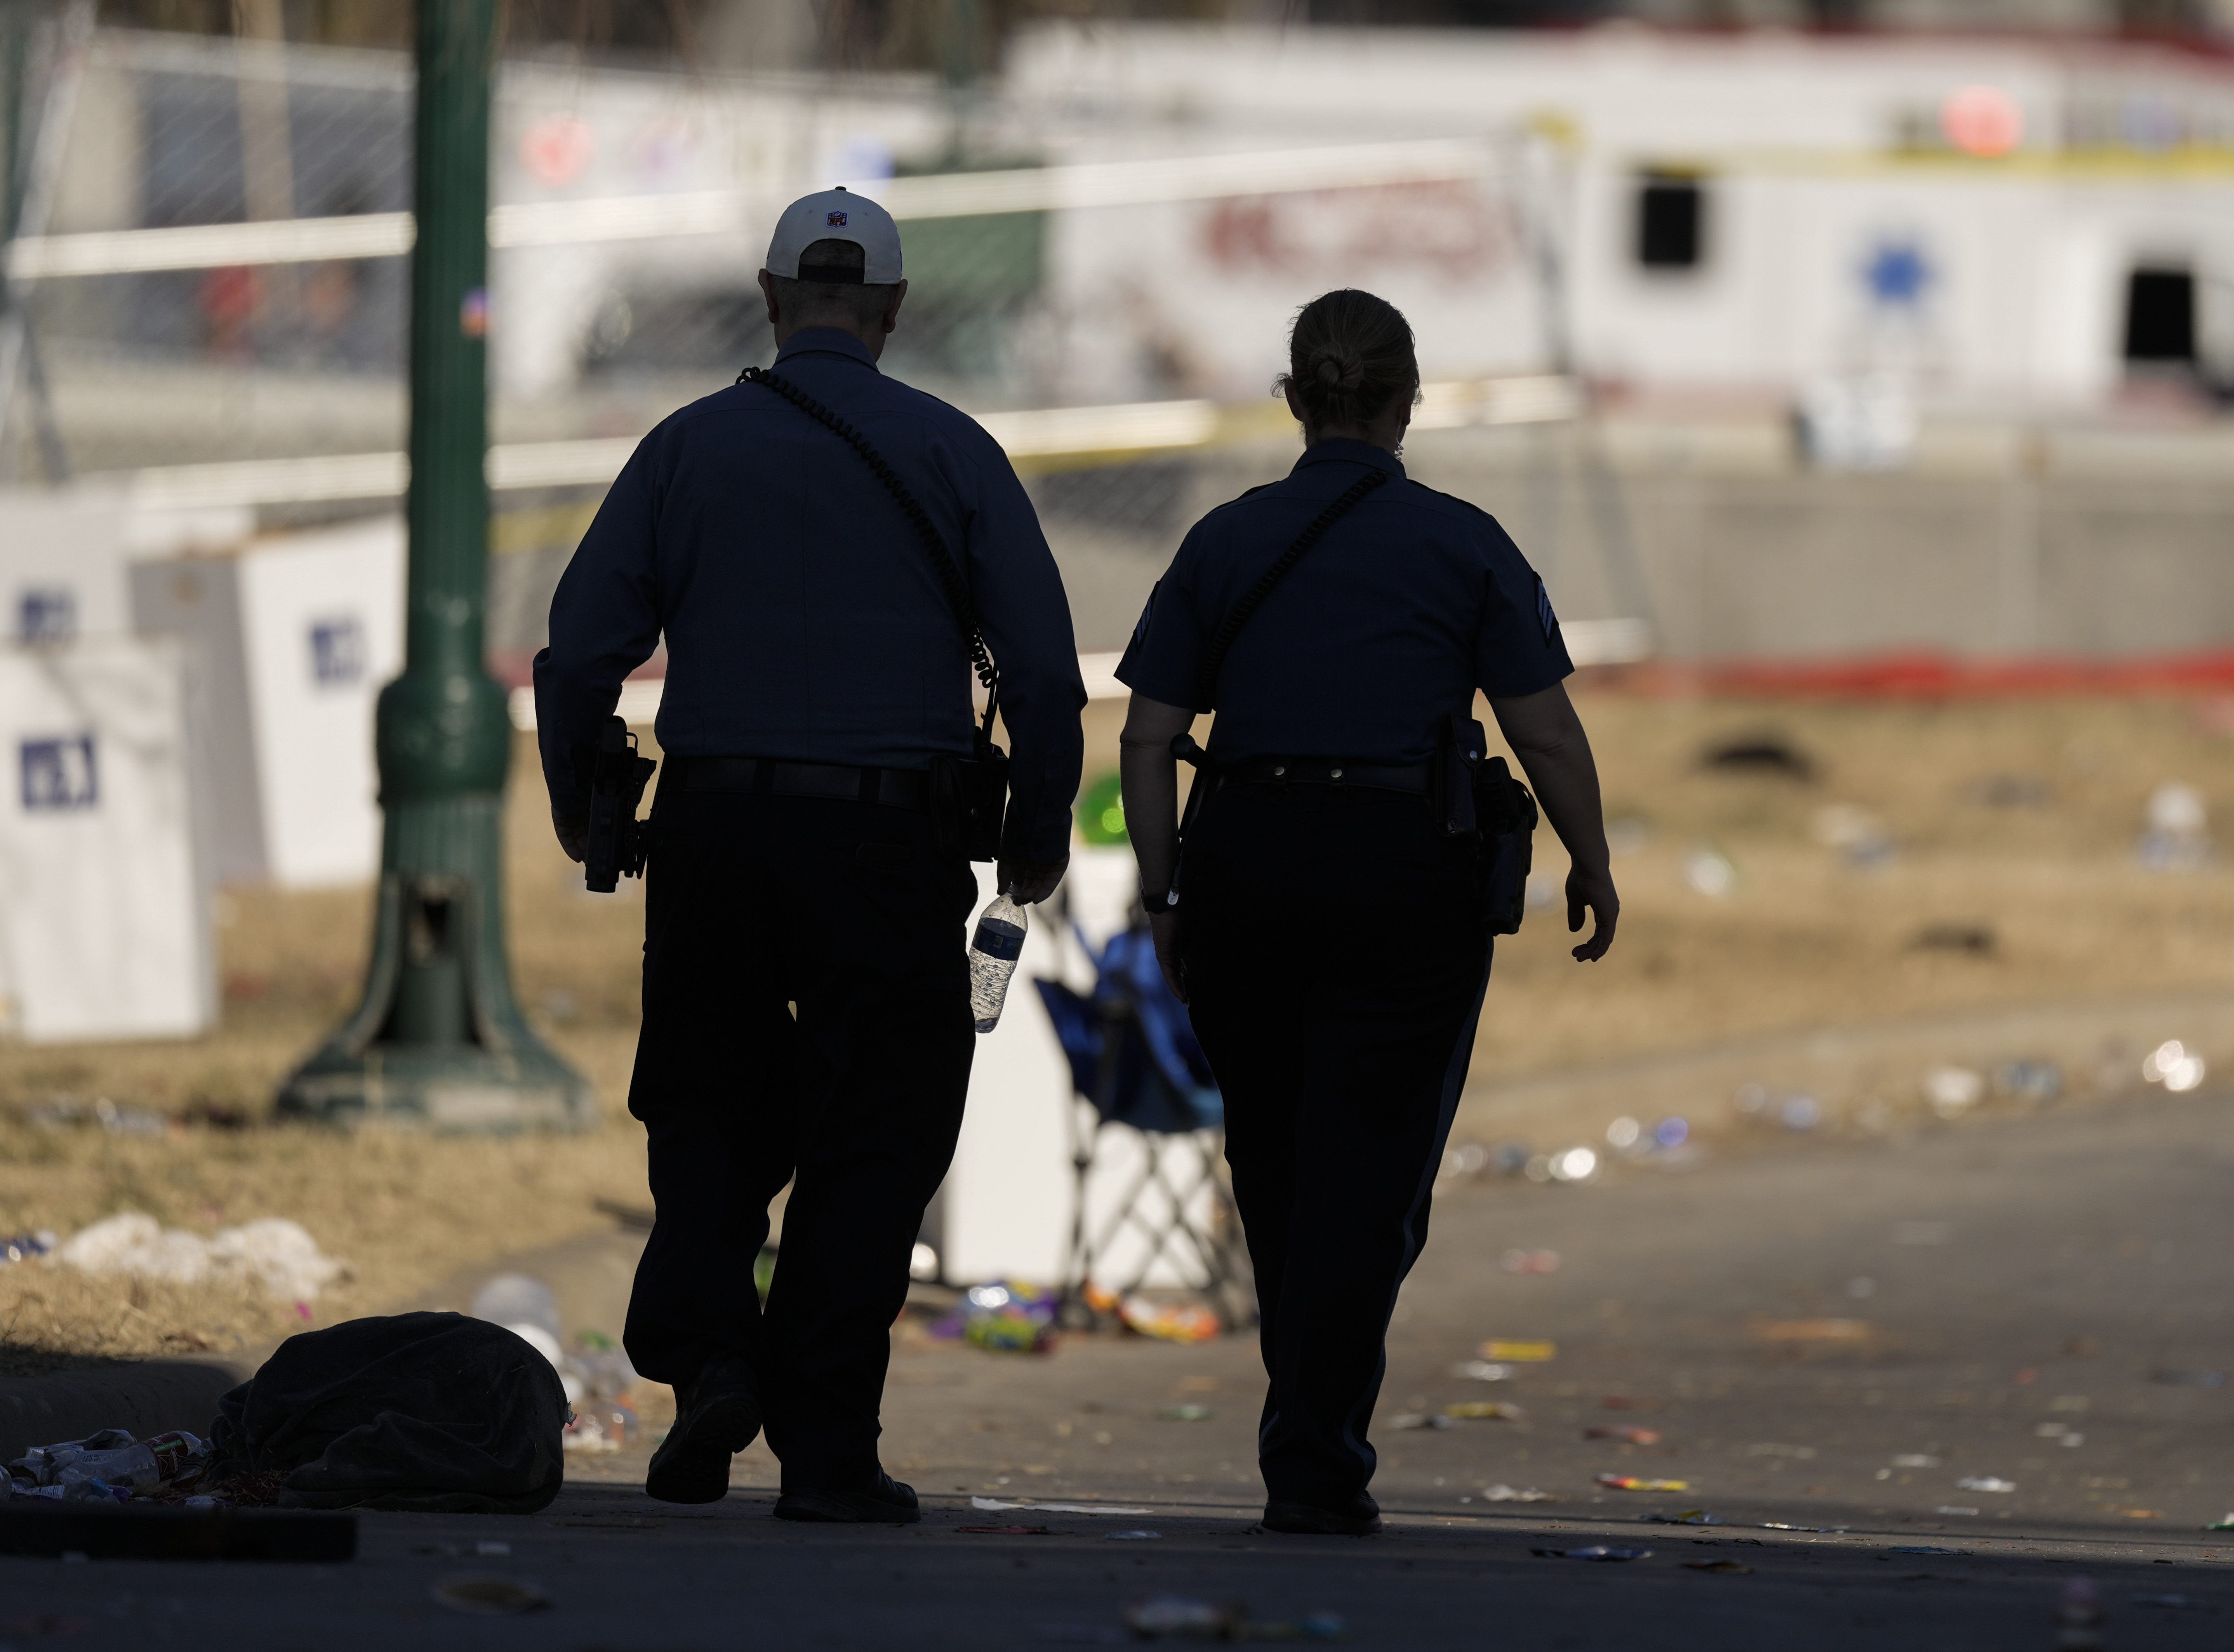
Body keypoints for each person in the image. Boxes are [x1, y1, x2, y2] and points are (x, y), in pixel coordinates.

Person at [532, 189, 1085, 1525]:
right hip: (889, 843)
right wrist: (1036, 834)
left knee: (709, 1106)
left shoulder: (684, 449)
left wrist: (577, 805)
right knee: (877, 1130)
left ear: (771, 298)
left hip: (717, 836)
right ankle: (827, 1444)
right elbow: (1050, 684)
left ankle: (716, 1360)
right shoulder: (955, 453)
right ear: (892, 309)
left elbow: (574, 659)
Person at [1114, 287, 1620, 1538]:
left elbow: (1147, 733)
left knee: (1276, 1159)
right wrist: (1590, 860)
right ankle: (1313, 1445)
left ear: (1295, 398)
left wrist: (1164, 889)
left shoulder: (1224, 541)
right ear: (1406, 401)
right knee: (1373, 1174)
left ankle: (1310, 1421)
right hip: (1404, 872)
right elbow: (1542, 726)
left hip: (1244, 863)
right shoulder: (1464, 543)